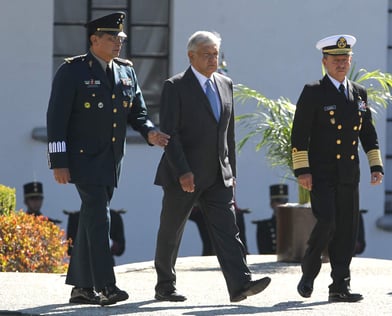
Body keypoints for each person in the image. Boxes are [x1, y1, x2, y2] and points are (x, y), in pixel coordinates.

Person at [46, 12, 169, 306]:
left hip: (112, 160)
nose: (118, 43)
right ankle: (106, 285)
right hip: (82, 159)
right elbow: (56, 119)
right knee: (101, 217)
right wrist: (58, 161)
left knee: (92, 218)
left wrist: (150, 132)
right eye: (112, 38)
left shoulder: (126, 71)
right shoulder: (72, 71)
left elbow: (138, 112)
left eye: (121, 38)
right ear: (94, 40)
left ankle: (81, 289)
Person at [153, 30, 271, 303]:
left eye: (215, 54)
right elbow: (170, 134)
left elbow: (228, 135)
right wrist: (183, 171)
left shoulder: (225, 84)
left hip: (219, 174)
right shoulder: (175, 86)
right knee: (172, 230)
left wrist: (232, 174)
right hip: (184, 174)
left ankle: (240, 284)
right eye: (207, 54)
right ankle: (165, 285)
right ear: (191, 56)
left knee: (228, 229)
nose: (212, 59)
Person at [291, 34, 384, 303]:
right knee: (328, 221)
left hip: (348, 172)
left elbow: (367, 132)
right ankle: (309, 272)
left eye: (345, 59)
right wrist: (302, 170)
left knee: (346, 228)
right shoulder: (313, 91)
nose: (341, 64)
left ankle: (340, 286)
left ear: (350, 61)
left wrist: (374, 165)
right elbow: (299, 136)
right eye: (336, 60)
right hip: (321, 172)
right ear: (325, 62)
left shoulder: (358, 93)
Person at [253, 184, 288, 254]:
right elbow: (263, 252)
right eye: (278, 200)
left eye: (285, 201)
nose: (282, 204)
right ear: (271, 204)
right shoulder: (264, 226)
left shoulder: (292, 225)